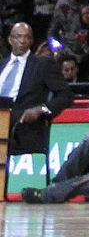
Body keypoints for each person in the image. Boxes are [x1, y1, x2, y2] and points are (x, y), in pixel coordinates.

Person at [0, 21, 73, 158]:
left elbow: (66, 95)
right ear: (10, 40)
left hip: (22, 127)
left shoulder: (43, 65)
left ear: (32, 41)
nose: (22, 41)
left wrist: (41, 110)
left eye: (26, 37)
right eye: (18, 37)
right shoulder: (1, 65)